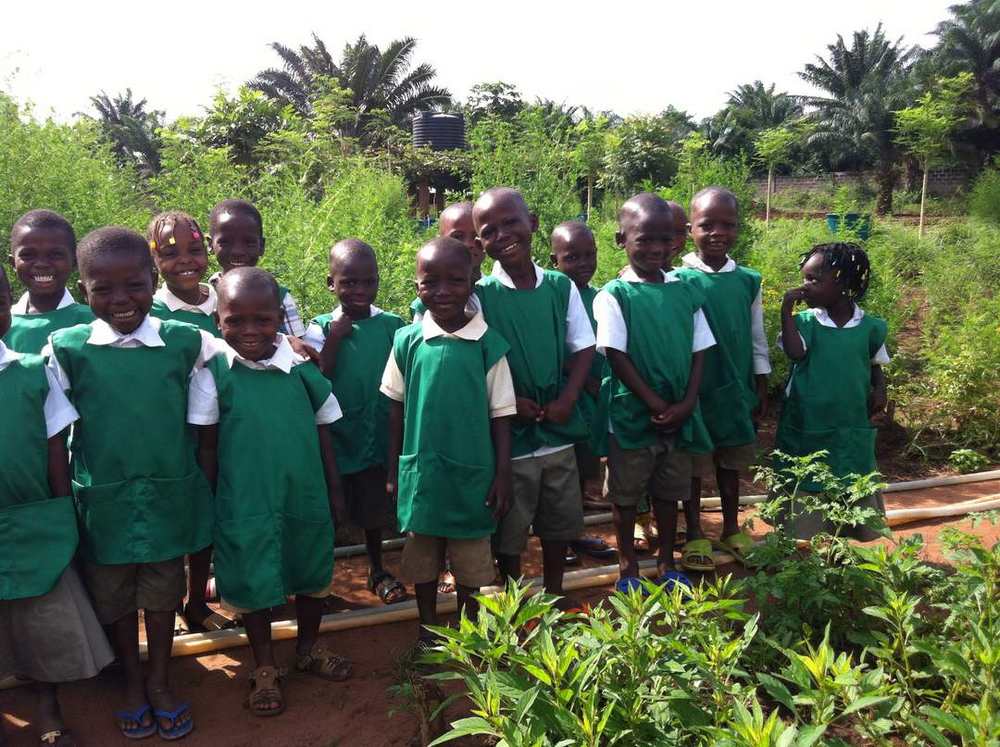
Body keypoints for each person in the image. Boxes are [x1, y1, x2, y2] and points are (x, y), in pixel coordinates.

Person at [47, 226, 219, 740]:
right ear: (83, 290)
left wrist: (295, 341)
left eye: (135, 285)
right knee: (115, 596)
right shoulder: (68, 348)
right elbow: (55, 432)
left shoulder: (184, 342)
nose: (121, 300)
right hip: (105, 501)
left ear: (153, 281)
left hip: (168, 493)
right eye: (103, 289)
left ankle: (162, 680)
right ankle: (132, 683)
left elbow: (224, 375)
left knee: (163, 591)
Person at [189, 267, 351, 716]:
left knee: (311, 570)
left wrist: (336, 491)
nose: (249, 331)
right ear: (217, 321)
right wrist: (210, 499)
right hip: (244, 500)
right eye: (234, 321)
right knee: (253, 578)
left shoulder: (300, 368)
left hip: (305, 493)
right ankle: (263, 666)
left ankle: (309, 648)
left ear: (280, 316)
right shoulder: (214, 373)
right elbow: (207, 446)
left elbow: (324, 430)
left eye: (262, 319)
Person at [0, 265, 114, 747]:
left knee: (42, 620)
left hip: (31, 520)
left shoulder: (30, 372)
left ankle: (48, 705)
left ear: (7, 298)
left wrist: (62, 517)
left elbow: (54, 451)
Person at [383, 238, 514, 643]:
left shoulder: (489, 344)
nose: (442, 292)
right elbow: (394, 408)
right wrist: (393, 471)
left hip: (474, 474)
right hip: (423, 473)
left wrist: (503, 474)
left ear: (473, 280)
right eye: (430, 282)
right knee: (422, 559)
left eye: (455, 281)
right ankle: (426, 627)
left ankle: (468, 629)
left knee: (471, 562)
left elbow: (503, 414)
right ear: (416, 285)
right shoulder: (407, 341)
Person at [472, 187, 596, 605]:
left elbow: (583, 347)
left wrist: (568, 399)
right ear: (479, 243)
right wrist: (508, 404)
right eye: (489, 230)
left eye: (511, 222)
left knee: (559, 519)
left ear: (534, 224)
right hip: (511, 431)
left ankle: (556, 591)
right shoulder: (482, 295)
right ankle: (513, 596)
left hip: (558, 425)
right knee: (511, 523)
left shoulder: (561, 287)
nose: (503, 234)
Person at [593, 193, 716, 593]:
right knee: (626, 495)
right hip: (632, 414)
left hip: (678, 414)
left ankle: (665, 561)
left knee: (669, 491)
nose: (656, 249)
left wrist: (687, 402)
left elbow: (700, 351)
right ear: (621, 239)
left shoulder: (685, 291)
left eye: (665, 240)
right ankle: (628, 566)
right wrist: (654, 402)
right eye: (644, 239)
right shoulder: (614, 294)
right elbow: (615, 354)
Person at [304, 239, 408, 605]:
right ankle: (320, 586)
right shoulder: (318, 328)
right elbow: (321, 373)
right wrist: (335, 336)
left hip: (377, 435)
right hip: (335, 438)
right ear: (331, 283)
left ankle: (377, 568)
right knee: (331, 510)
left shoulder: (393, 326)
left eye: (368, 282)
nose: (359, 290)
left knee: (372, 511)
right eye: (349, 282)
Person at [672, 187, 771, 570]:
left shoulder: (748, 280)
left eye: (727, 225)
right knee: (695, 468)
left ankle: (731, 528)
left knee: (731, 465)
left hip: (735, 388)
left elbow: (756, 335)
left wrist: (761, 382)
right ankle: (695, 532)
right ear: (689, 229)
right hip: (694, 392)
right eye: (707, 225)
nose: (718, 233)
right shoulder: (677, 278)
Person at [775, 242, 889, 540]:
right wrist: (786, 312)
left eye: (813, 279)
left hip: (851, 423)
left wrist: (880, 392)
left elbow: (875, 364)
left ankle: (845, 549)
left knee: (851, 476)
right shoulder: (805, 322)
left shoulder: (870, 327)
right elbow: (795, 353)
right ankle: (805, 542)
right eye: (805, 279)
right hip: (808, 423)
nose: (806, 286)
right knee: (808, 477)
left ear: (841, 282)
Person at [549, 221, 617, 563]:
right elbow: (549, 348)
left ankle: (574, 535)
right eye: (572, 257)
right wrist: (579, 379)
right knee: (563, 471)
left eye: (590, 255)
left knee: (584, 469)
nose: (584, 263)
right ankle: (557, 540)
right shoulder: (553, 296)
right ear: (554, 260)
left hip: (595, 400)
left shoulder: (601, 296)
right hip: (567, 398)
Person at [207, 199, 306, 337]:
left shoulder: (280, 297)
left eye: (249, 243)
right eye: (226, 242)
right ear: (210, 244)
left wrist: (288, 341)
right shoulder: (205, 296)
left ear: (262, 245)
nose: (238, 251)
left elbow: (300, 347)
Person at [4, 210, 93, 354]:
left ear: (75, 261)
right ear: (12, 263)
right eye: (28, 255)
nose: (42, 264)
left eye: (55, 255)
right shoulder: (4, 323)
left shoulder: (95, 322)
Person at [148, 211, 220, 336]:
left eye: (195, 250)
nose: (185, 260)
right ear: (152, 258)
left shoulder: (223, 300)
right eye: (170, 254)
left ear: (206, 249)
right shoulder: (150, 315)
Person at [410, 201, 484, 322]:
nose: (469, 244)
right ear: (441, 240)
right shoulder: (428, 301)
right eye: (458, 237)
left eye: (476, 235)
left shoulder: (497, 292)